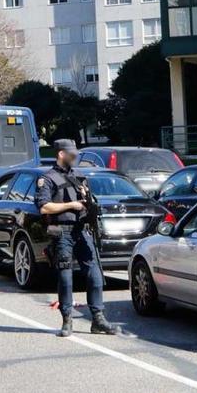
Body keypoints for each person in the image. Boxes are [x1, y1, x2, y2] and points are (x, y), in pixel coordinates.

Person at [36, 139, 120, 337]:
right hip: (61, 230)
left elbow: (88, 203)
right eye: (71, 153)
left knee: (94, 273)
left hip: (82, 229)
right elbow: (44, 207)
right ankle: (67, 320)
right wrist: (71, 205)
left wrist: (88, 201)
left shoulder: (79, 176)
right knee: (65, 276)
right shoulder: (47, 178)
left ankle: (98, 319)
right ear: (61, 154)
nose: (75, 157)